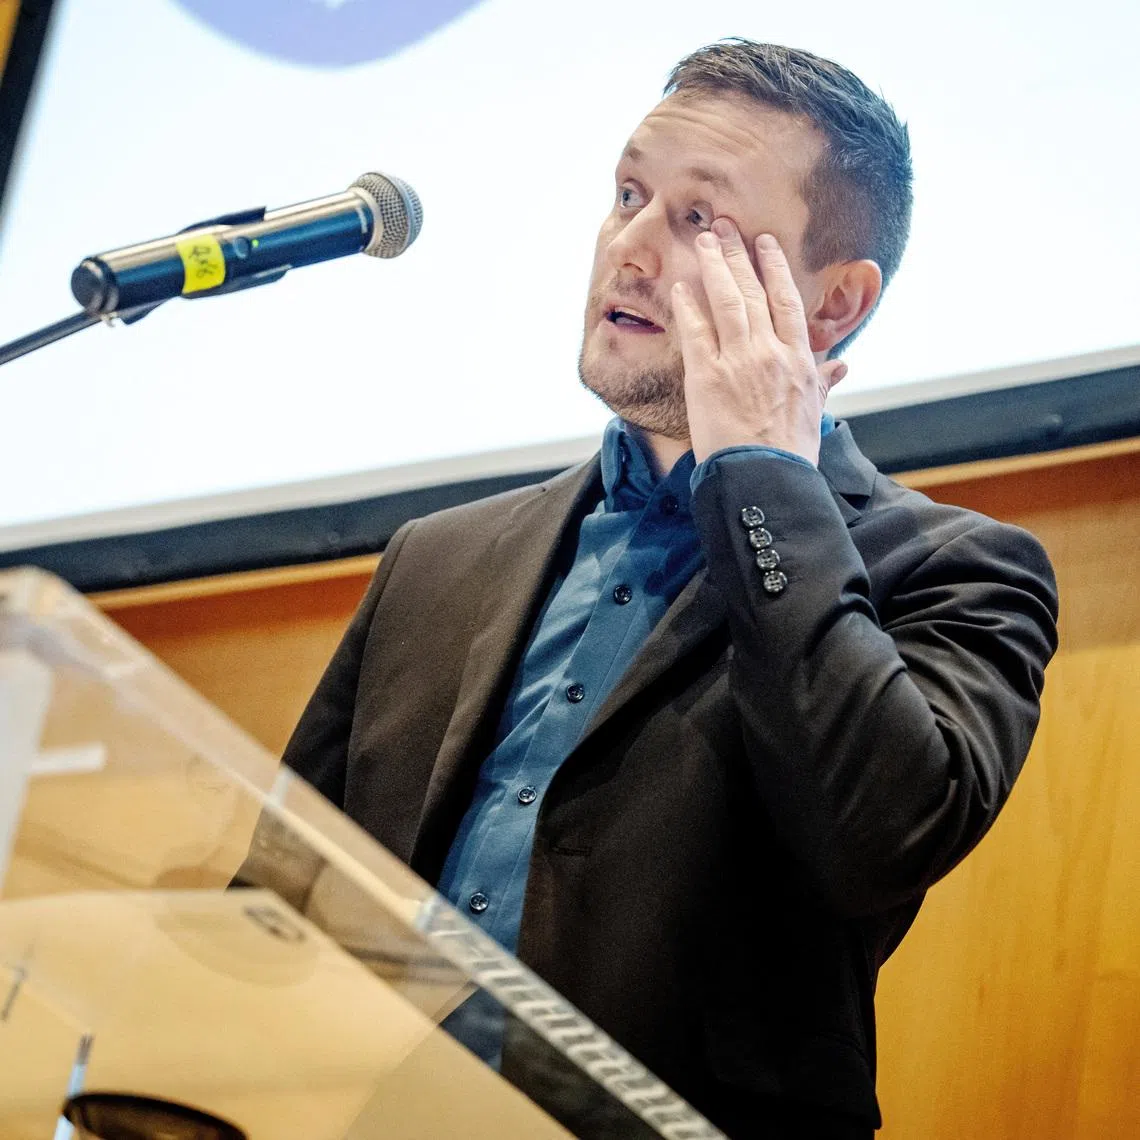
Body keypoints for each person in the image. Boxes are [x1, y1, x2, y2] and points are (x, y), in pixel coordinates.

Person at [282, 39, 1058, 1138]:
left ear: (833, 304)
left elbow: (874, 839)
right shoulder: (436, 558)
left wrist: (763, 476)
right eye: (629, 194)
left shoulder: (954, 571)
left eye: (700, 220)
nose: (630, 249)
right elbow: (279, 905)